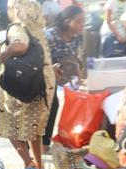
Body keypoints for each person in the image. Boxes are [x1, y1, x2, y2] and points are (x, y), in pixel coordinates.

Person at [0, 0, 55, 169]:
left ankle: (29, 164)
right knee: (34, 128)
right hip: (42, 86)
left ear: (15, 9)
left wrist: (4, 55)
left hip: (23, 86)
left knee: (10, 125)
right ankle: (40, 165)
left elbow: (20, 45)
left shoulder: (17, 27)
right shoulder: (38, 30)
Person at [42, 5, 84, 152]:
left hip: (62, 79)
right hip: (43, 77)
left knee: (56, 105)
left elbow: (74, 56)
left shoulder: (77, 38)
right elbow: (40, 57)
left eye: (83, 22)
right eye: (78, 22)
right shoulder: (50, 36)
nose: (81, 25)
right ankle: (43, 144)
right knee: (52, 106)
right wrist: (50, 68)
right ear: (67, 21)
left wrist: (78, 69)